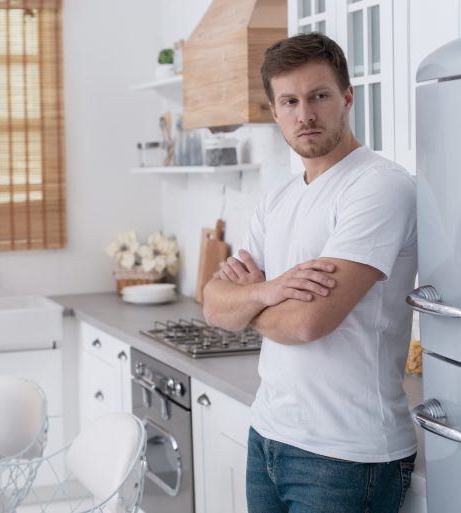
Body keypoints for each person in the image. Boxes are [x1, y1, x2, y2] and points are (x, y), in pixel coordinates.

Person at [201, 33, 417, 513]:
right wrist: (272, 290)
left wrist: (250, 300)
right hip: (268, 436)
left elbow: (307, 322)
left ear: (347, 97)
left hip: (346, 456)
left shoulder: (378, 187)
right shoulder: (277, 198)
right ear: (274, 111)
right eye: (290, 101)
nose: (305, 115)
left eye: (319, 96)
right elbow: (213, 303)